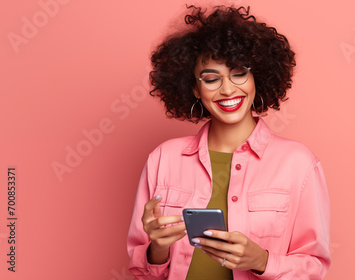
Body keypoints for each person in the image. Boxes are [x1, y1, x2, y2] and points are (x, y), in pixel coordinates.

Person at [127, 5, 331, 280]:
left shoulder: (299, 163)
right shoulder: (163, 159)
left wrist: (262, 260)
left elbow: (314, 268)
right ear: (195, 89)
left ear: (256, 77)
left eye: (238, 73)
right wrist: (158, 248)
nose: (227, 89)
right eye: (211, 78)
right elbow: (142, 272)